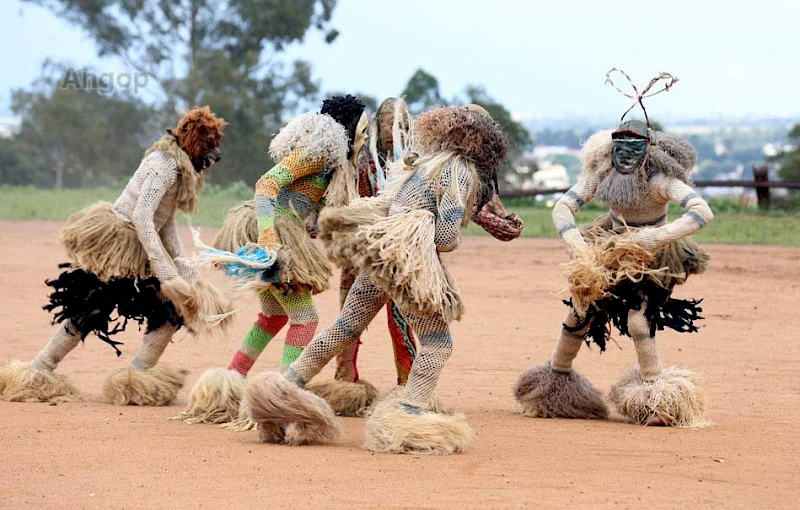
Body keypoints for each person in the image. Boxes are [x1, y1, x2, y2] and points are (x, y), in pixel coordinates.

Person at [245, 105, 509, 454]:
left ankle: (283, 389)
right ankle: (408, 414)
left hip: (380, 254)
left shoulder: (421, 165)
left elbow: (394, 206)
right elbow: (445, 237)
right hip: (407, 262)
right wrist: (447, 235)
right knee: (437, 343)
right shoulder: (457, 172)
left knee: (345, 327)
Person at [0, 106, 232, 406]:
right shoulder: (164, 165)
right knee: (94, 306)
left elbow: (166, 220)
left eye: (216, 144)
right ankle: (39, 369)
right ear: (193, 140)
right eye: (209, 145)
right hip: (123, 246)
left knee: (171, 309)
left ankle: (137, 375)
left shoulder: (182, 168)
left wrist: (182, 263)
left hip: (143, 243)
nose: (214, 154)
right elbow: (142, 216)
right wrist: (165, 270)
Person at [177, 95, 367, 428]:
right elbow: (266, 185)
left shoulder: (325, 150)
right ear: (349, 125)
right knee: (305, 319)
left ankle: (231, 383)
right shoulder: (320, 148)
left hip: (275, 225)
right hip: (270, 229)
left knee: (274, 315)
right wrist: (269, 238)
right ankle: (281, 395)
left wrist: (309, 222)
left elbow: (296, 195)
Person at [514, 112, 714, 427]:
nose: (625, 153)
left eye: (634, 146)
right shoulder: (604, 174)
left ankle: (655, 393)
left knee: (638, 319)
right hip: (609, 249)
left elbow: (701, 211)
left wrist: (656, 236)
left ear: (649, 148)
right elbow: (564, 206)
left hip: (650, 258)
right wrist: (576, 243)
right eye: (619, 144)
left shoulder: (659, 180)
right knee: (579, 313)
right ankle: (554, 384)